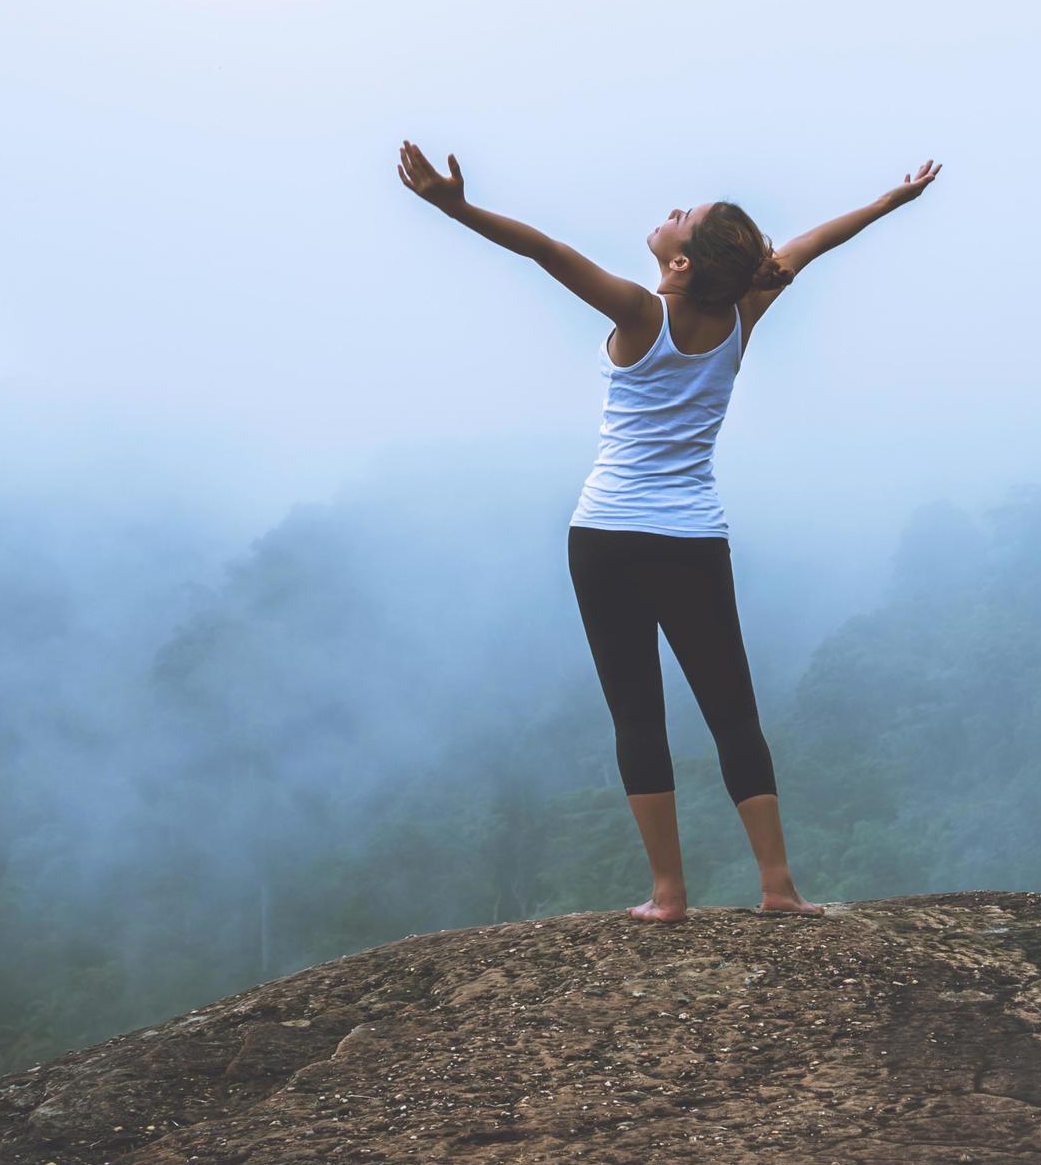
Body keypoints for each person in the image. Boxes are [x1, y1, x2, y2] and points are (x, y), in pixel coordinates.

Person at [396, 141, 944, 921]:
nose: (671, 214)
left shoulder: (640, 312)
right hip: (691, 537)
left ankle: (668, 895)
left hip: (606, 537)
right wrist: (891, 203)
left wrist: (455, 209)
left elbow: (545, 251)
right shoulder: (743, 312)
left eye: (681, 220)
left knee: (636, 713)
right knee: (733, 712)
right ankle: (779, 887)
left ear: (683, 265)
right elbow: (816, 244)